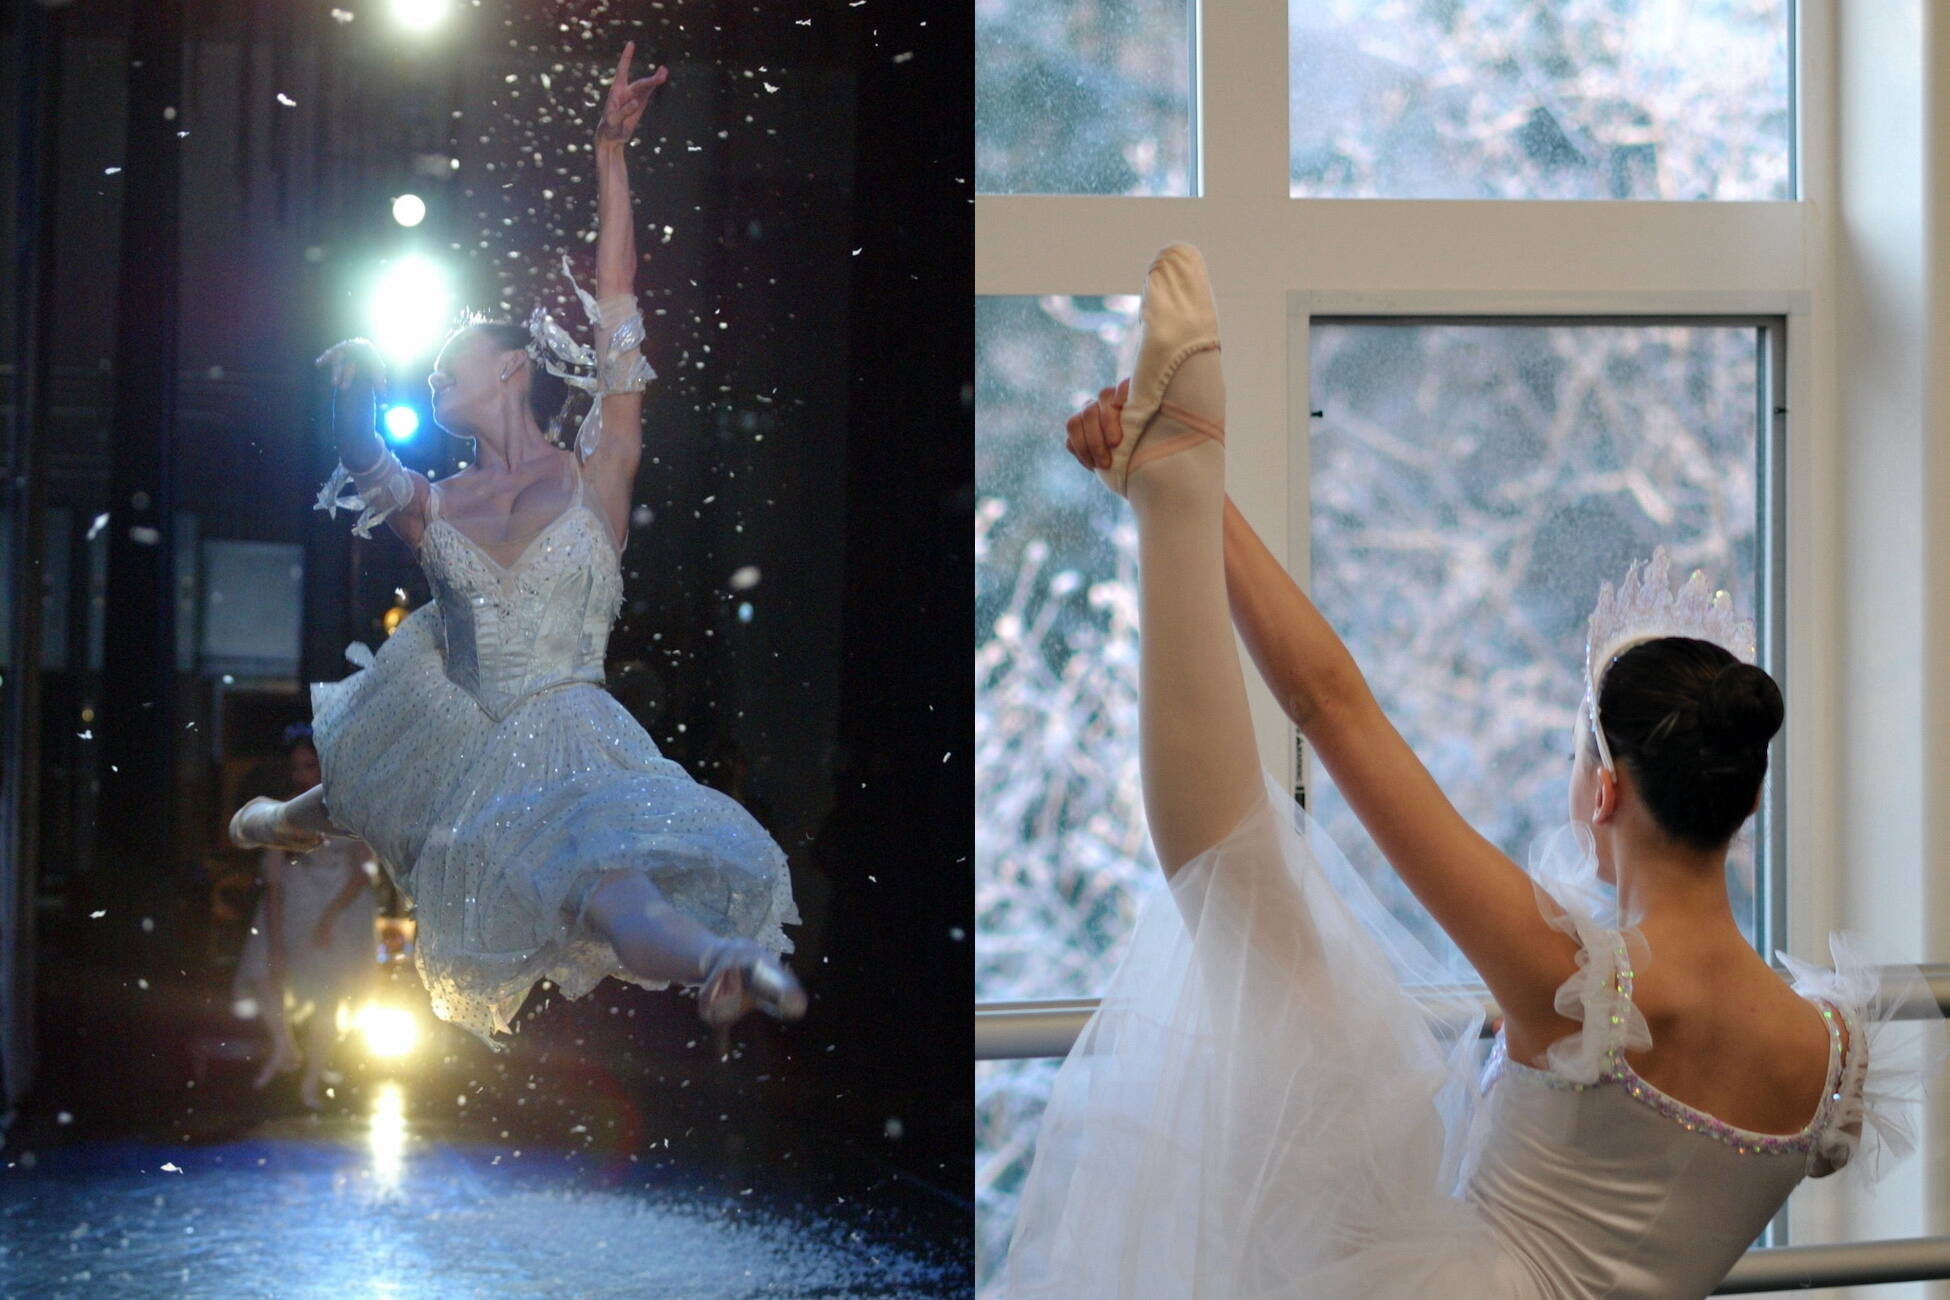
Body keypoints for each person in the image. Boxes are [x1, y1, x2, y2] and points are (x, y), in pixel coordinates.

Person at [1001, 244, 1936, 1297]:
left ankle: (1174, 489)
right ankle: (1175, 482)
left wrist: (1194, 490)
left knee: (1263, 921)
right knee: (1298, 989)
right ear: (1746, 796)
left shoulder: (1590, 989)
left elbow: (1329, 705)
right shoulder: (1831, 1056)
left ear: (1607, 790)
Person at [228, 44, 804, 1055]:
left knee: (607, 890)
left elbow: (620, 308)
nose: (437, 368)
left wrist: (611, 153)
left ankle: (721, 958)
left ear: (508, 366)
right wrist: (355, 389)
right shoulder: (438, 502)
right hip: (459, 730)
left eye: (454, 354)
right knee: (358, 794)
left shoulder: (596, 472)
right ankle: (278, 815)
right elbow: (364, 458)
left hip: (567, 730)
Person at [231, 725, 378, 1110]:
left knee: (328, 996)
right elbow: (275, 880)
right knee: (266, 973)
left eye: (310, 765)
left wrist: (330, 917)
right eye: (297, 767)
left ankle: (312, 1079)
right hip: (297, 901)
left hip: (341, 906)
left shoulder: (348, 809)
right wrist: (276, 941)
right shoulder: (285, 810)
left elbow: (364, 871)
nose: (302, 774)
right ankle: (284, 1046)